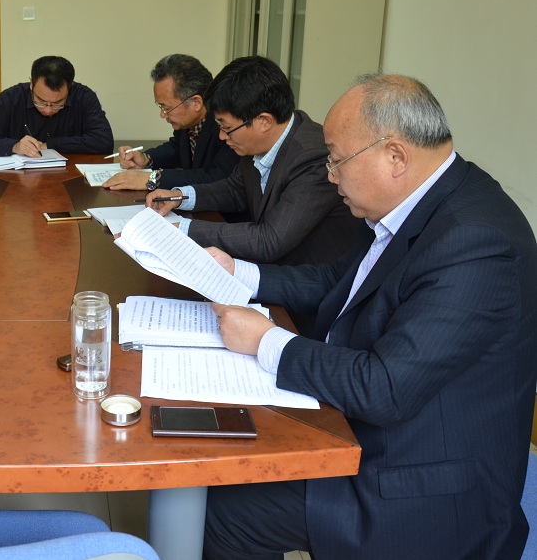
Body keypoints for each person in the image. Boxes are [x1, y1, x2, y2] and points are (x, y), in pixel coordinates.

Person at [204, 74, 537, 560]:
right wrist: (240, 273)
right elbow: (337, 281)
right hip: (381, 434)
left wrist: (265, 341)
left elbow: (384, 389)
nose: (330, 175)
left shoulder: (476, 243)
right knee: (234, 446)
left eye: (336, 159)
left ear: (395, 156)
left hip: (422, 491)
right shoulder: (415, 200)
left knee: (227, 507)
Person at [147, 55, 365, 267]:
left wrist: (182, 227)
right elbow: (233, 190)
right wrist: (179, 196)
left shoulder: (312, 157)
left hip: (307, 279)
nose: (222, 136)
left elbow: (269, 240)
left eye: (227, 128)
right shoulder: (259, 143)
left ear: (264, 121)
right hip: (270, 266)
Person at [102, 54, 239, 191]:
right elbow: (177, 148)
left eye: (167, 108)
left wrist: (153, 178)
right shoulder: (187, 122)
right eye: (160, 107)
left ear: (196, 102)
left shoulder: (226, 126)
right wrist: (146, 159)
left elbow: (217, 177)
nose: (162, 114)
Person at [0, 55, 113, 157]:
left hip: (71, 178)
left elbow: (104, 141)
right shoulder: (11, 98)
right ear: (31, 84)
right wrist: (14, 146)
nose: (48, 110)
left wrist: (50, 145)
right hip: (19, 181)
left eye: (57, 103)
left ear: (70, 88)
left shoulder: (84, 97)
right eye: (40, 101)